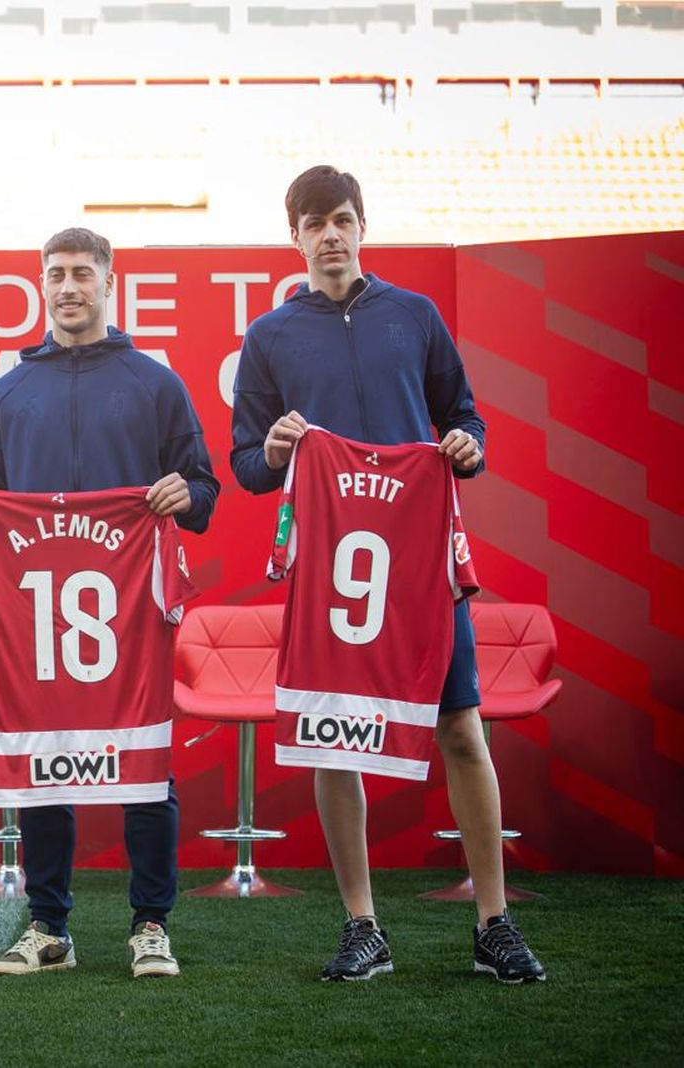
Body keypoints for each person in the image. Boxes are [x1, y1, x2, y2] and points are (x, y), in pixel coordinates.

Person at [230, 164, 546, 983]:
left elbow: (464, 417)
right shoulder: (270, 337)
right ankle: (362, 924)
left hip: (420, 565)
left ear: (361, 226)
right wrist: (269, 453)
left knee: (461, 730)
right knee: (337, 744)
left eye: (340, 219)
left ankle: (494, 921)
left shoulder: (415, 314)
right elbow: (245, 464)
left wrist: (468, 448)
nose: (328, 235)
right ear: (293, 236)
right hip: (332, 572)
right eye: (312, 224)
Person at [0, 227, 219, 978]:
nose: (68, 287)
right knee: (44, 766)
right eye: (55, 274)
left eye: (81, 274)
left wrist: (181, 493)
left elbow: (203, 491)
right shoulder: (10, 389)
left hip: (126, 611)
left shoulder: (154, 382)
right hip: (36, 615)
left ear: (109, 280)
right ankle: (48, 928)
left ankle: (150, 924)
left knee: (144, 769)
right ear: (42, 285)